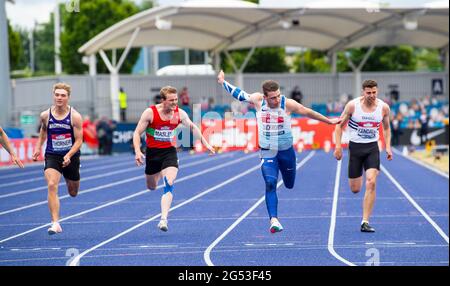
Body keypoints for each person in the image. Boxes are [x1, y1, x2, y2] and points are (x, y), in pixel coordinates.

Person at [217, 70, 341, 233]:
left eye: (278, 95)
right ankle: (274, 220)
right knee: (270, 183)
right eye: (273, 97)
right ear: (265, 96)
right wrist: (222, 82)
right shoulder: (257, 100)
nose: (276, 99)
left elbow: (307, 111)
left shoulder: (287, 103)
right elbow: (239, 94)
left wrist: (328, 121)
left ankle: (291, 166)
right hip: (268, 151)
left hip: (286, 151)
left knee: (289, 184)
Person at [133, 86, 215, 232]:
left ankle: (163, 219)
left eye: (176, 99)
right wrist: (138, 151)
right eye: (171, 100)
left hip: (169, 152)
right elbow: (137, 133)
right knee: (151, 186)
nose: (174, 103)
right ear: (163, 100)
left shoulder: (179, 113)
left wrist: (206, 143)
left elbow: (193, 128)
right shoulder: (150, 113)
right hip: (152, 154)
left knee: (169, 182)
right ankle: (157, 173)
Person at [334, 79, 393, 233]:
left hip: (372, 148)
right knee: (355, 189)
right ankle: (363, 216)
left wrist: (387, 146)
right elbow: (339, 127)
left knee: (371, 182)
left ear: (377, 91)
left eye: (374, 92)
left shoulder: (383, 108)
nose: (371, 95)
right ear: (363, 92)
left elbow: (386, 128)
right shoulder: (353, 106)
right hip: (355, 148)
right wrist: (338, 146)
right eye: (368, 93)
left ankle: (365, 221)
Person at [32, 82, 83, 235]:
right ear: (53, 95)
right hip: (52, 154)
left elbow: (79, 140)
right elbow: (43, 131)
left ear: (68, 97)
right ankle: (55, 223)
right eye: (57, 95)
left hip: (71, 155)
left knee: (73, 192)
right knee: (52, 184)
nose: (59, 98)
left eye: (63, 95)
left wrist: (69, 155)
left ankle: (69, 176)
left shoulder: (74, 116)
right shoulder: (45, 115)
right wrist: (37, 147)